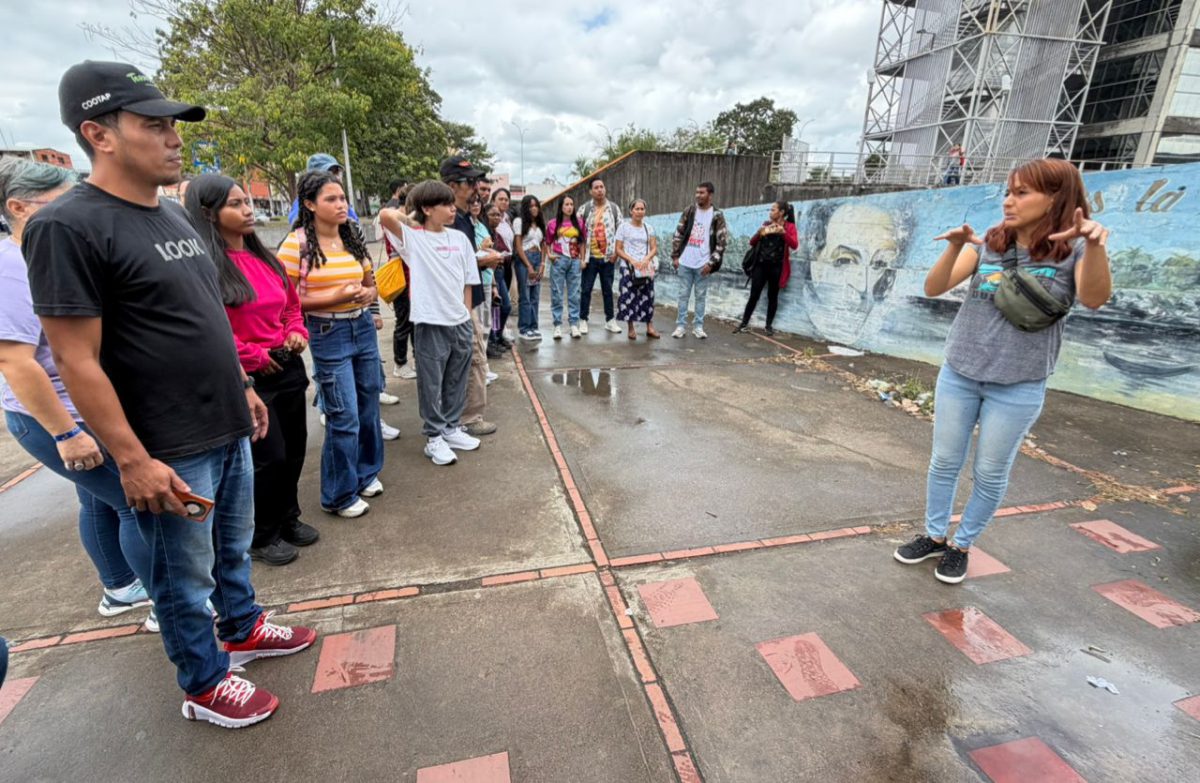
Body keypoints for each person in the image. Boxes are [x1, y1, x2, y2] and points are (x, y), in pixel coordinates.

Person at [25, 60, 315, 728]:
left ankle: (241, 627)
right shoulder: (67, 226)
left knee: (230, 548)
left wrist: (242, 384)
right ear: (98, 133)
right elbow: (74, 358)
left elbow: (207, 316)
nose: (173, 138)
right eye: (154, 125)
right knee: (180, 577)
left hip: (224, 420)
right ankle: (204, 680)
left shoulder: (175, 218)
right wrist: (130, 459)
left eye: (172, 125)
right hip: (164, 441)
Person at [894, 158, 1111, 584]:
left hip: (1019, 383)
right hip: (960, 372)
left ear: (1056, 197)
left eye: (1022, 192)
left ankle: (961, 545)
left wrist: (1098, 245)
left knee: (990, 471)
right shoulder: (991, 243)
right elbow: (934, 287)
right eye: (1008, 192)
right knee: (944, 462)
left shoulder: (1077, 250)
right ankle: (936, 536)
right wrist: (956, 246)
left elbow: (1094, 298)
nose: (1010, 201)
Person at [0, 156, 154, 627]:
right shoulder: (12, 267)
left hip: (75, 408)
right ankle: (166, 605)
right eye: (60, 204)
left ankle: (120, 587)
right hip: (56, 417)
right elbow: (13, 361)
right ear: (19, 207)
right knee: (136, 502)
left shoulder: (39, 254)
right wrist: (67, 434)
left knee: (97, 499)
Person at [184, 174, 319, 567]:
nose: (248, 210)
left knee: (294, 450)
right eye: (236, 204)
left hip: (288, 365)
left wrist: (295, 331)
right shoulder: (205, 268)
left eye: (248, 202)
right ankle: (261, 534)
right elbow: (211, 330)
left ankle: (287, 516)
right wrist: (254, 356)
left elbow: (291, 306)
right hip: (249, 377)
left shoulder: (265, 259)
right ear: (208, 214)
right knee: (268, 456)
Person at [278, 170, 383, 518]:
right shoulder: (296, 245)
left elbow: (370, 281)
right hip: (328, 333)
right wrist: (332, 297)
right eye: (331, 199)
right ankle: (338, 495)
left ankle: (366, 473)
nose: (341, 205)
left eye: (343, 198)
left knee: (369, 406)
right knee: (344, 413)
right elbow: (284, 302)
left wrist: (369, 293)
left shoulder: (351, 235)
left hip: (363, 328)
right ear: (309, 204)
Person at [378, 181, 482, 466]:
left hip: (458, 321)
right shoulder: (414, 238)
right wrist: (414, 216)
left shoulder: (460, 238)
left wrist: (467, 315)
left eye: (452, 203)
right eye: (445, 204)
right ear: (427, 208)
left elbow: (468, 282)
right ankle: (433, 437)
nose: (452, 209)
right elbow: (386, 216)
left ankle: (450, 428)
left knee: (456, 379)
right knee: (431, 383)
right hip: (429, 321)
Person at [442, 156, 500, 437]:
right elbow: (453, 262)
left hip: (469, 299)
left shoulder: (464, 217)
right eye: (470, 182)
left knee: (471, 357)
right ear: (452, 185)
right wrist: (483, 261)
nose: (476, 187)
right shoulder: (449, 219)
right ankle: (469, 416)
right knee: (473, 358)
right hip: (459, 303)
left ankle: (462, 414)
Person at [670, 181, 730, 339]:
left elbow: (722, 242)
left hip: (703, 265)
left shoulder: (717, 215)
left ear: (710, 195)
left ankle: (698, 327)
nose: (698, 195)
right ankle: (680, 326)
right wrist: (675, 256)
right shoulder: (689, 211)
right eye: (697, 192)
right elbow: (678, 234)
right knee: (683, 295)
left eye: (702, 193)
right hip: (685, 262)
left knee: (700, 296)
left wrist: (711, 263)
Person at [734, 201, 798, 336]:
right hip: (761, 265)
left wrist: (783, 232)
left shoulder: (789, 227)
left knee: (772, 296)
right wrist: (759, 233)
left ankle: (768, 326)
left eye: (773, 209)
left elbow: (794, 245)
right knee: (754, 295)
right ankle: (744, 323)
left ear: (781, 212)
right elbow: (752, 242)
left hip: (777, 267)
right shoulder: (766, 225)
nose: (770, 212)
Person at [576, 178, 623, 334]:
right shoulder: (584, 209)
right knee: (586, 289)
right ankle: (583, 320)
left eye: (602, 187)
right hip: (589, 258)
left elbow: (621, 233)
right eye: (596, 187)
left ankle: (610, 320)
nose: (600, 190)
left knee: (608, 290)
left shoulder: (614, 209)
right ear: (591, 191)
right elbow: (577, 235)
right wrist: (581, 257)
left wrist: (616, 254)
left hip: (608, 258)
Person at [382, 180, 417, 381]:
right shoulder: (396, 218)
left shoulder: (405, 218)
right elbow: (385, 215)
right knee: (403, 321)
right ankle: (400, 362)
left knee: (413, 322)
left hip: (412, 277)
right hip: (401, 277)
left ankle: (412, 359)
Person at [614, 198, 660, 340]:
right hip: (628, 267)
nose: (640, 212)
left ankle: (649, 327)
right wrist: (632, 260)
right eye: (637, 209)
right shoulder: (623, 227)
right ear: (631, 211)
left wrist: (646, 259)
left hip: (645, 267)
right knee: (629, 297)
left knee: (648, 296)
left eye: (642, 209)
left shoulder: (648, 228)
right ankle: (631, 327)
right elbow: (618, 249)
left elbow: (654, 248)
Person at [546, 195, 583, 339]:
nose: (569, 207)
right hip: (559, 260)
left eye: (571, 204)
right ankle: (557, 325)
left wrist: (582, 259)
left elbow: (582, 243)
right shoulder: (553, 224)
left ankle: (574, 325)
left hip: (574, 260)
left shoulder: (579, 223)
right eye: (566, 204)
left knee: (574, 293)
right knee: (557, 293)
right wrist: (549, 255)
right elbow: (547, 242)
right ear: (561, 207)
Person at [286, 153, 359, 224]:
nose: (335, 177)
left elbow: (355, 224)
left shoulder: (342, 203)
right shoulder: (301, 206)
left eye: (336, 172)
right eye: (328, 173)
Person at [513, 195, 547, 342]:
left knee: (535, 296)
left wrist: (542, 264)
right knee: (525, 296)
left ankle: (534, 327)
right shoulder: (519, 221)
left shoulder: (539, 223)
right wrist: (528, 266)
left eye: (536, 205)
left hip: (537, 257)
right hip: (524, 259)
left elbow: (544, 244)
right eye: (531, 206)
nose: (534, 208)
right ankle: (524, 328)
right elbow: (518, 246)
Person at [484, 202, 513, 357]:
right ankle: (492, 341)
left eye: (498, 215)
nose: (497, 217)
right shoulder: (486, 234)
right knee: (497, 308)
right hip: (491, 273)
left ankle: (497, 337)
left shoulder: (497, 234)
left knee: (502, 307)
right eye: (493, 215)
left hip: (500, 271)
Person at [491, 188, 517, 342]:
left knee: (501, 305)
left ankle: (498, 334)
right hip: (496, 266)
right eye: (500, 199)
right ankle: (495, 336)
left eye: (506, 199)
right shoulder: (490, 219)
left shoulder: (507, 219)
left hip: (507, 264)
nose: (504, 202)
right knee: (501, 304)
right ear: (494, 201)